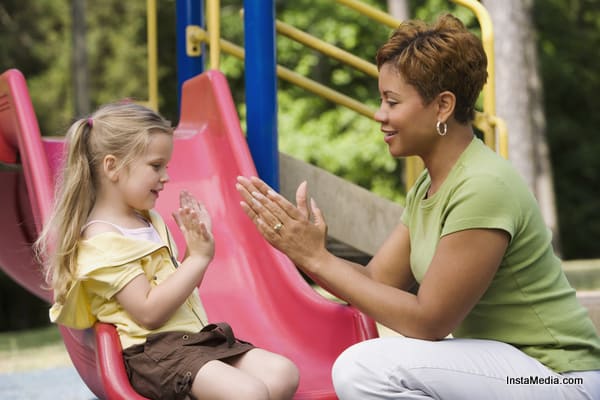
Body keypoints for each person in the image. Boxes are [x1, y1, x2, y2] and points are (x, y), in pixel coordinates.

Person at [235, 13, 600, 400]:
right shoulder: (431, 184)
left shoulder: (483, 186)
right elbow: (376, 282)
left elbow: (429, 321)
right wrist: (306, 250)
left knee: (362, 369)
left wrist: (317, 259)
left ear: (443, 106)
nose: (379, 114)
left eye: (392, 101)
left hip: (557, 377)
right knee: (367, 365)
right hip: (509, 370)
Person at [35, 102, 299, 400]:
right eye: (155, 166)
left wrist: (195, 249)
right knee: (248, 393)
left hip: (192, 341)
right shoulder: (101, 239)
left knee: (283, 374)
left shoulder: (148, 221)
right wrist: (199, 258)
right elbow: (149, 312)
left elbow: (181, 287)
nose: (166, 177)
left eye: (166, 167)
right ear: (112, 167)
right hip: (152, 353)